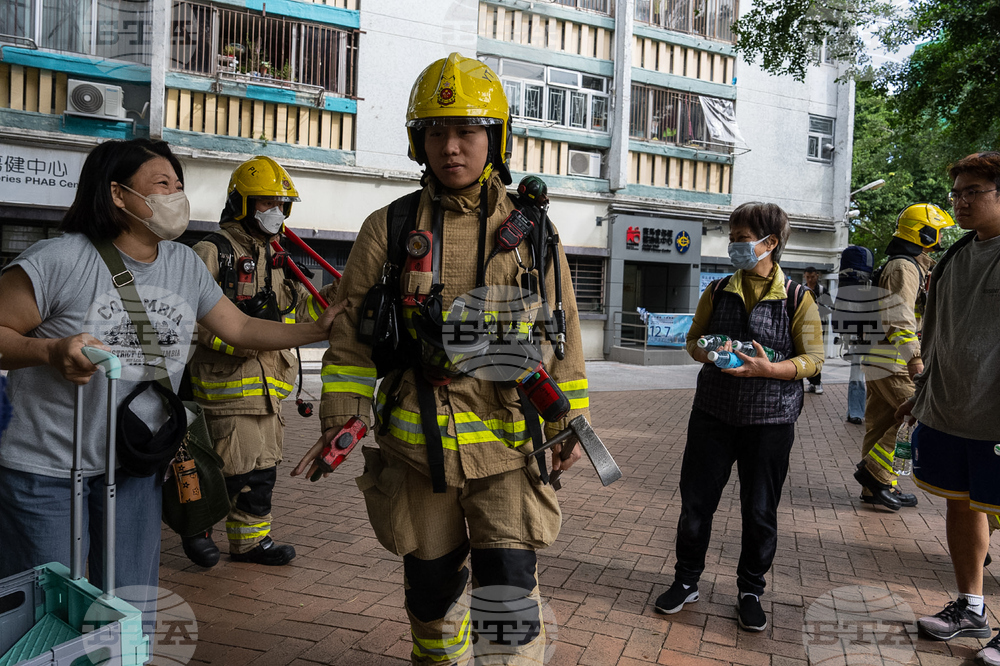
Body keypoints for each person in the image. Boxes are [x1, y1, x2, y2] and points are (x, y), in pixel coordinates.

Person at [292, 53, 589, 665]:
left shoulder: (533, 231)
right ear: (418, 140)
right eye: (436, 131)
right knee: (430, 592)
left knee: (507, 585)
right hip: (417, 446)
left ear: (495, 138)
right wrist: (340, 418)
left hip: (509, 446)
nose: (451, 147)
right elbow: (347, 340)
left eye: (468, 131)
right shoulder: (390, 227)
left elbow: (564, 336)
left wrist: (569, 423)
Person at [0, 139, 341, 626]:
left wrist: (314, 329)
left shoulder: (183, 264)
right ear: (118, 195)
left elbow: (240, 327)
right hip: (49, 470)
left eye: (179, 185)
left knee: (129, 608)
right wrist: (48, 351)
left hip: (134, 467)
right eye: (163, 184)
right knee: (51, 617)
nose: (176, 196)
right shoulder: (58, 260)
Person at [653, 202, 823, 632]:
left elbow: (814, 360)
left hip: (770, 421)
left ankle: (750, 590)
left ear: (771, 243)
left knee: (760, 510)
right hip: (713, 415)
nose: (734, 245)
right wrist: (709, 350)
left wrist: (771, 369)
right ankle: (687, 581)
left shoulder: (797, 298)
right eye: (731, 237)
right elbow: (692, 341)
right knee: (696, 506)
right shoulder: (717, 290)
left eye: (742, 238)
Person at [182, 156, 338, 568]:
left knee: (259, 473)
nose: (277, 213)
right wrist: (244, 343)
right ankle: (198, 532)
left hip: (268, 392)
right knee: (221, 470)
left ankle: (251, 542)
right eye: (267, 203)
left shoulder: (275, 256)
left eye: (282, 205)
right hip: (226, 391)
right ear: (243, 204)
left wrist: (338, 300)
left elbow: (298, 310)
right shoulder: (211, 251)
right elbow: (186, 321)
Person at [898, 152, 1000, 666]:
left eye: (973, 190)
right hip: (949, 410)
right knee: (960, 504)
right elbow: (935, 335)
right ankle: (972, 607)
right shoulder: (957, 256)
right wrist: (923, 395)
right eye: (956, 192)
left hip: (995, 419)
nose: (959, 200)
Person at [852, 204, 953, 511]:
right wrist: (915, 359)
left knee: (881, 423)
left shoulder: (910, 266)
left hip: (880, 355)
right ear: (923, 233)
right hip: (894, 359)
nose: (941, 237)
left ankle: (878, 488)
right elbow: (899, 318)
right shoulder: (904, 268)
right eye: (937, 231)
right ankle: (874, 475)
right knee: (919, 413)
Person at [832, 246, 875, 425]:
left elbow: (839, 313)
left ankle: (856, 412)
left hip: (857, 337)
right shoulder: (873, 284)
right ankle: (864, 411)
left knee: (857, 375)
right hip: (872, 336)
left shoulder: (845, 288)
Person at [802, 267, 831, 394]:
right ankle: (812, 382)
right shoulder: (801, 289)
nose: (810, 279)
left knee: (815, 354)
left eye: (812, 277)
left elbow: (829, 308)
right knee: (806, 354)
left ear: (817, 276)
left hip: (818, 326)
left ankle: (818, 382)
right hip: (804, 326)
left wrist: (818, 308)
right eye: (808, 277)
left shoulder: (822, 290)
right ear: (804, 276)